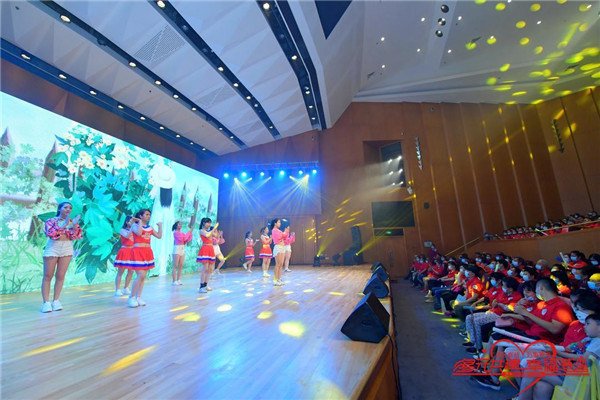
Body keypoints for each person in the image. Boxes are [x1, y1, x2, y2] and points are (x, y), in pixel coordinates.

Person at [40, 202, 82, 313]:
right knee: (48, 275)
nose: (68, 209)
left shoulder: (72, 222)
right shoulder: (51, 221)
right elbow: (51, 234)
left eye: (70, 208)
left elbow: (76, 236)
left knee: (60, 276)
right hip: (53, 247)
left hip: (67, 247)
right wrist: (64, 224)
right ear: (59, 209)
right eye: (65, 207)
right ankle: (46, 302)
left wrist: (74, 225)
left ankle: (56, 300)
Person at [128, 209, 162, 308]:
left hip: (147, 252)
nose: (149, 216)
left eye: (149, 214)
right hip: (138, 251)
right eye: (146, 214)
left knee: (143, 276)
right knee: (140, 274)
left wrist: (160, 226)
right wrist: (139, 222)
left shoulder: (150, 227)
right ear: (141, 216)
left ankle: (138, 297)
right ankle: (131, 297)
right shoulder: (134, 226)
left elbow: (159, 236)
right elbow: (139, 233)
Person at [114, 216, 139, 296]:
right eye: (131, 221)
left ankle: (126, 288)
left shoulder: (135, 231)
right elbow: (127, 236)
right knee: (121, 272)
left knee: (131, 271)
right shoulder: (122, 230)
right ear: (126, 222)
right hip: (124, 251)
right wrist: (132, 227)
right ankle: (117, 289)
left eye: (133, 221)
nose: (132, 223)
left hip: (132, 251)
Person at [197, 218, 218, 293]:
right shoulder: (202, 231)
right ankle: (201, 286)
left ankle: (206, 285)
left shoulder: (209, 231)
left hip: (211, 248)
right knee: (205, 268)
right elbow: (208, 235)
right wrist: (213, 229)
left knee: (210, 269)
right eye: (208, 223)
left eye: (210, 223)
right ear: (203, 223)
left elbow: (216, 236)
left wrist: (215, 229)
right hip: (205, 248)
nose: (209, 224)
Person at [171, 220, 193, 286]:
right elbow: (183, 239)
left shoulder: (182, 233)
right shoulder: (175, 233)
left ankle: (178, 279)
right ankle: (174, 281)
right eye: (179, 224)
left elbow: (186, 240)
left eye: (181, 224)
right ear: (176, 225)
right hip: (177, 248)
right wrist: (189, 232)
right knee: (175, 265)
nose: (180, 225)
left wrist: (189, 233)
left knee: (181, 265)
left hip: (182, 248)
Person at [270, 218, 288, 286]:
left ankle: (279, 279)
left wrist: (285, 232)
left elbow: (285, 236)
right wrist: (284, 233)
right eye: (279, 222)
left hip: (282, 247)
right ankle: (275, 280)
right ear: (275, 223)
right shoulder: (274, 230)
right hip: (278, 247)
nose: (280, 224)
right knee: (278, 264)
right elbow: (280, 236)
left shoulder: (279, 230)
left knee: (281, 264)